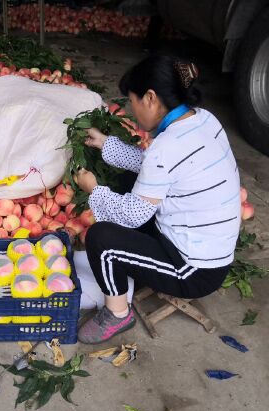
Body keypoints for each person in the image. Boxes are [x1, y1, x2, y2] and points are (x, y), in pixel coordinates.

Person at [76, 55, 240, 344]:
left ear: (150, 98)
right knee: (129, 182)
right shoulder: (203, 119)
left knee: (101, 239)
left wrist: (94, 189)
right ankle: (137, 263)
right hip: (211, 248)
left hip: (195, 270)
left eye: (133, 101)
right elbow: (156, 167)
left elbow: (131, 214)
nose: (132, 110)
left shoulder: (166, 147)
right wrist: (105, 144)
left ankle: (117, 313)